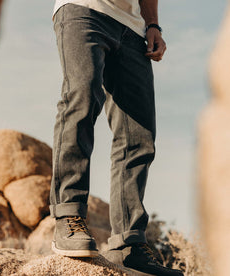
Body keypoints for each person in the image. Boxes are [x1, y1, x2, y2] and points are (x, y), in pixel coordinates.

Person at [49, 1, 183, 275]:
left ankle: (128, 244)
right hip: (82, 9)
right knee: (82, 100)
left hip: (133, 28)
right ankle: (68, 215)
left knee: (138, 134)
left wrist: (152, 24)